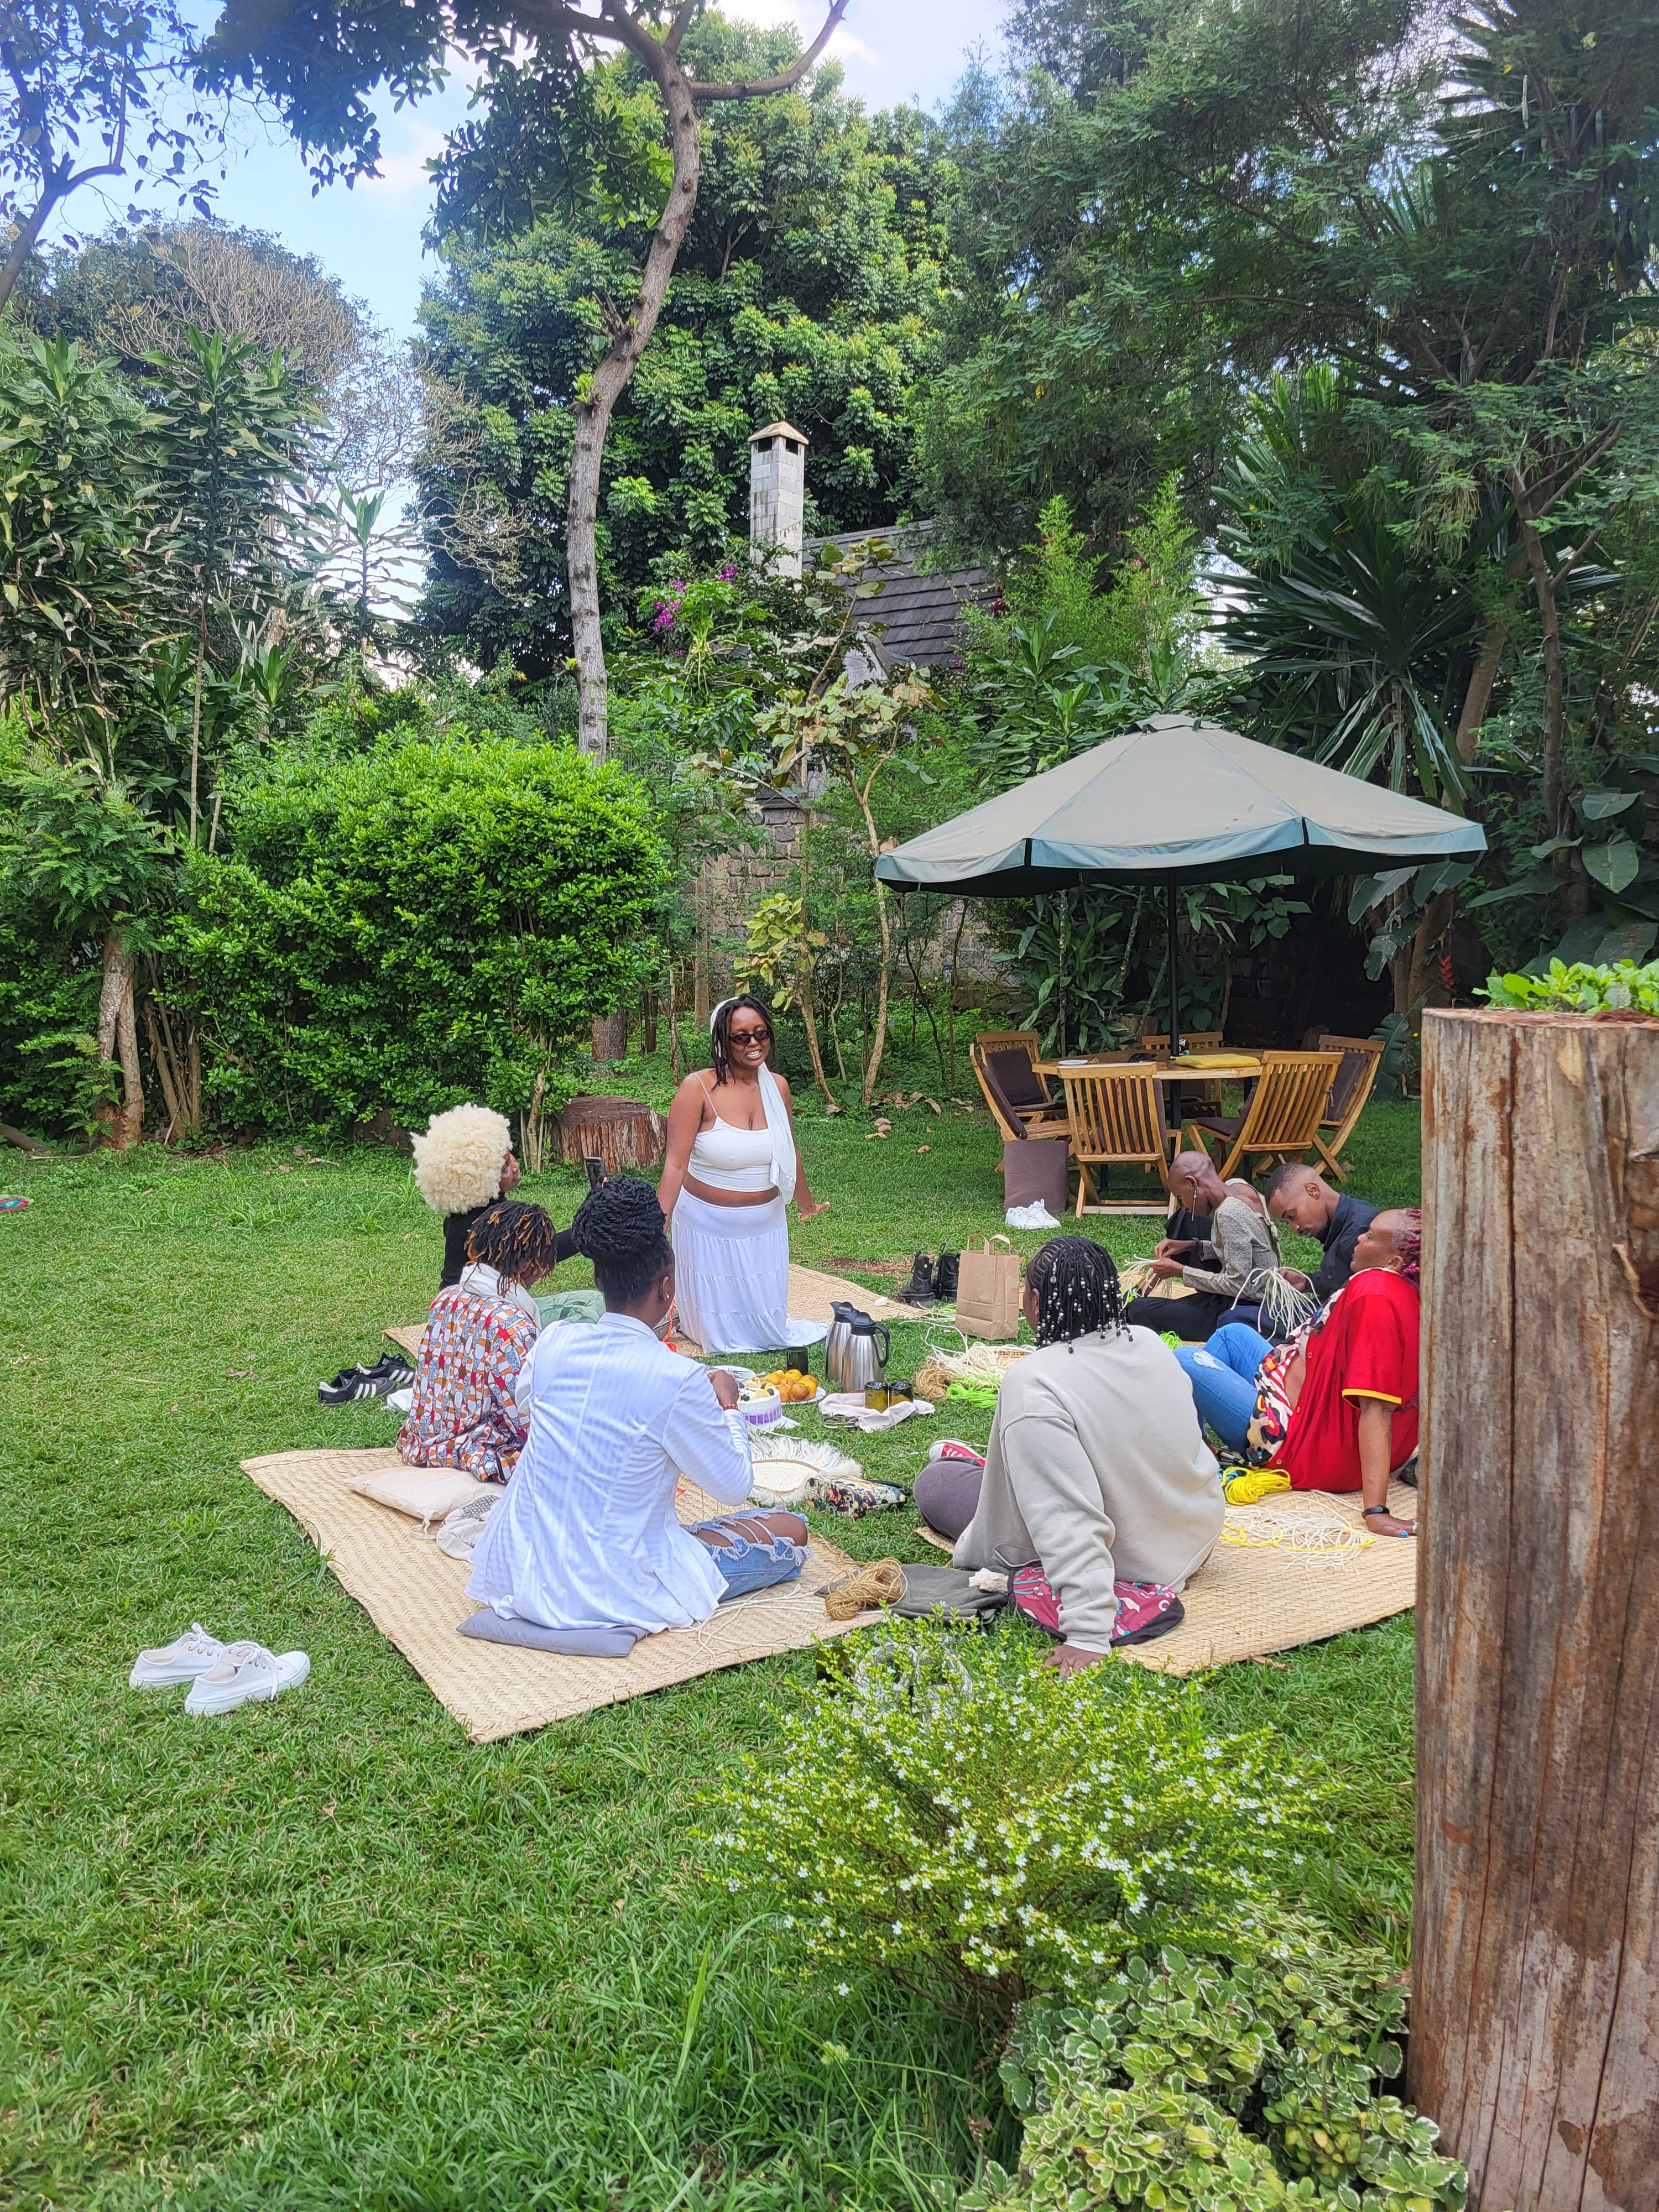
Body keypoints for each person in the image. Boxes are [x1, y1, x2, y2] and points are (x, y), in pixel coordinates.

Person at [466, 1176, 811, 1638]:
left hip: (525, 1566)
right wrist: (728, 1407)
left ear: (598, 1280)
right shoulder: (677, 1379)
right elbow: (734, 1485)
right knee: (794, 1529)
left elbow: (533, 1409)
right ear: (667, 1287)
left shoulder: (554, 1342)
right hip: (615, 1583)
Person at [934, 1237, 1224, 1673]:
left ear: (1034, 1301)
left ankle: (971, 1468)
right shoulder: (1149, 1344)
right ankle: (988, 1467)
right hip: (1194, 1532)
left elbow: (1065, 1515)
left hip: (1132, 1558)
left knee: (937, 1483)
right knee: (1009, 1466)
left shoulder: (1033, 1381)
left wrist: (1089, 1630)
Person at [1173, 1209, 1422, 1537]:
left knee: (1187, 1359)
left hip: (1299, 1443)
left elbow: (1377, 1408)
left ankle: (1187, 1459)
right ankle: (1195, 1445)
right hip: (1298, 1401)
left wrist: (1376, 1510)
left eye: (1371, 1236)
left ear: (1394, 1263)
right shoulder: (1400, 1288)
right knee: (1232, 1334)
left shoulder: (1376, 1295)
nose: (1360, 1239)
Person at [656, 993, 830, 1354]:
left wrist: (807, 1204)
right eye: (742, 1037)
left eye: (761, 1034)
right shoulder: (697, 1088)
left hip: (765, 1226)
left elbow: (788, 1149)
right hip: (706, 1226)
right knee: (715, 1333)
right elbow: (675, 1162)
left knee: (765, 1328)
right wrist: (658, 1221)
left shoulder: (778, 1087)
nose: (754, 1044)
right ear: (722, 1041)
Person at [398, 1200, 561, 1481]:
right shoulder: (512, 1326)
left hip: (426, 1439)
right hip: (478, 1450)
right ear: (529, 1265)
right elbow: (527, 1419)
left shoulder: (446, 1299)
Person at [410, 1102, 578, 1292]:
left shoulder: (461, 1216)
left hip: (451, 1307)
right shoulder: (491, 1221)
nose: (515, 1166)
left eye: (511, 1156)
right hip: (474, 1314)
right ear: (480, 1178)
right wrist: (587, 1228)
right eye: (505, 1168)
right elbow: (542, 1253)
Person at [1121, 1151, 1289, 1341]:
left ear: (1192, 1183)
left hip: (1246, 1308)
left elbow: (1238, 1284)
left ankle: (1133, 1301)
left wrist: (1181, 1271)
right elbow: (1243, 1251)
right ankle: (1140, 1294)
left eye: (1179, 1196)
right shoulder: (1240, 1186)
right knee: (1186, 1219)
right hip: (1259, 1298)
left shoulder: (1228, 1213)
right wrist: (1193, 1246)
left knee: (1138, 1310)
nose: (1183, 1205)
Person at [1264, 1164, 1379, 1303]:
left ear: (1313, 1191)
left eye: (1292, 1216)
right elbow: (1338, 1280)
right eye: (1287, 1223)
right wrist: (1307, 1282)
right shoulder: (1350, 1216)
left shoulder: (1359, 1233)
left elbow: (1343, 1300)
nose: (1295, 1228)